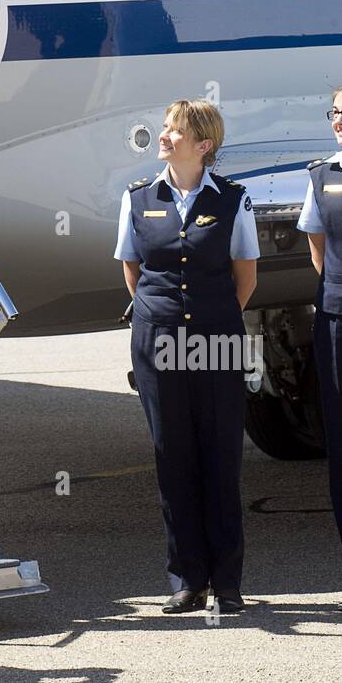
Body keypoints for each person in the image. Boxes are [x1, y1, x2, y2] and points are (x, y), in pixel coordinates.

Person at [114, 98, 259, 614]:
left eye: (175, 131)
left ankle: (227, 582)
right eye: (165, 129)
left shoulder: (232, 199)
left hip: (215, 341)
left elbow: (245, 274)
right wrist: (164, 316)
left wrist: (211, 315)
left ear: (204, 145)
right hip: (157, 341)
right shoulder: (137, 198)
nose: (164, 137)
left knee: (220, 456)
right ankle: (186, 579)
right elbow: (133, 270)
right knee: (172, 456)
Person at [297, 83, 342, 611]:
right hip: (337, 318)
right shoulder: (322, 175)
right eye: (334, 111)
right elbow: (318, 245)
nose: (339, 120)